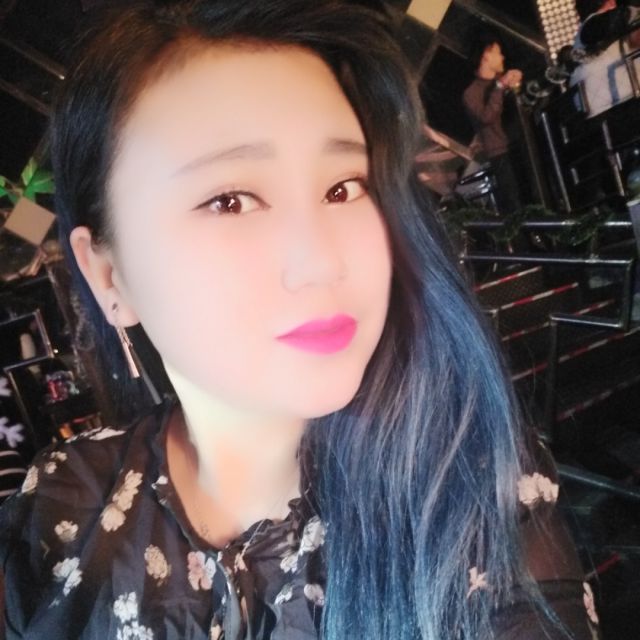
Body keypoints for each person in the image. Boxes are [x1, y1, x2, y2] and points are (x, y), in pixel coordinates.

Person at [0, 1, 601, 638]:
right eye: (230, 200)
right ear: (108, 275)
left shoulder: (470, 486)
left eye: (344, 187)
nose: (321, 262)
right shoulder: (63, 504)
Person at [463, 32, 524, 217]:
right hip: (500, 154)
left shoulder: (503, 80)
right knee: (516, 205)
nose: (502, 57)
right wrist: (499, 87)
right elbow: (487, 117)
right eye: (498, 52)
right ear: (486, 55)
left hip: (521, 146)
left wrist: (517, 83)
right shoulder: (471, 93)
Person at [571, 0, 640, 117]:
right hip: (614, 108)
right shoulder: (591, 26)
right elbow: (620, 18)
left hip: (616, 105)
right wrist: (632, 11)